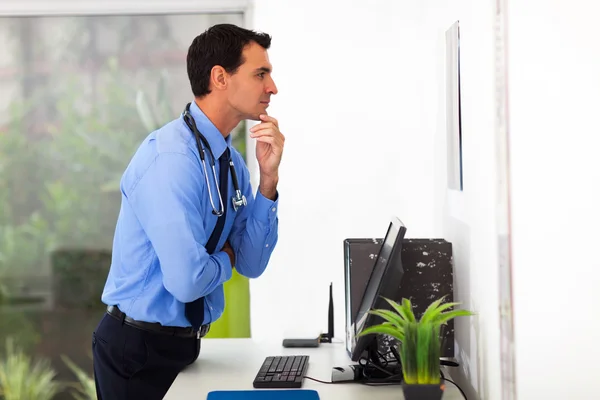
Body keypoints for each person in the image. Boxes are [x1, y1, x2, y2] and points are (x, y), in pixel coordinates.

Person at [91, 23, 283, 400]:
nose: (272, 87)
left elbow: (251, 264)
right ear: (219, 78)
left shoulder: (231, 163)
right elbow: (187, 281)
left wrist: (268, 182)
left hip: (183, 347)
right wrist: (225, 257)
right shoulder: (171, 160)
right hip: (137, 353)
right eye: (261, 74)